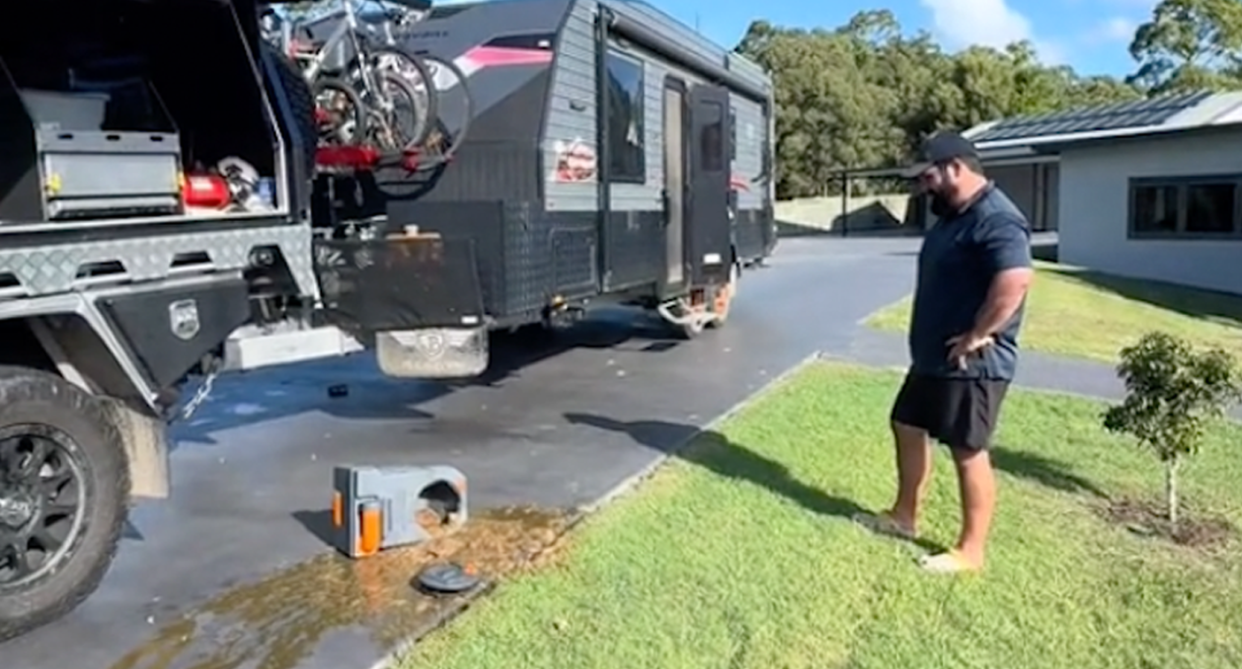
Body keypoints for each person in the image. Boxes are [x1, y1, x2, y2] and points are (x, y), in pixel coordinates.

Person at [854, 130, 1034, 574]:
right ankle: (904, 516)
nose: (923, 185)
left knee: (967, 449)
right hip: (934, 360)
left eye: (928, 175)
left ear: (956, 167)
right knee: (906, 423)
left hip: (971, 365)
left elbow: (1015, 281)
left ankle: (971, 552)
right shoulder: (953, 215)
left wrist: (978, 333)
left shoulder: (997, 218)